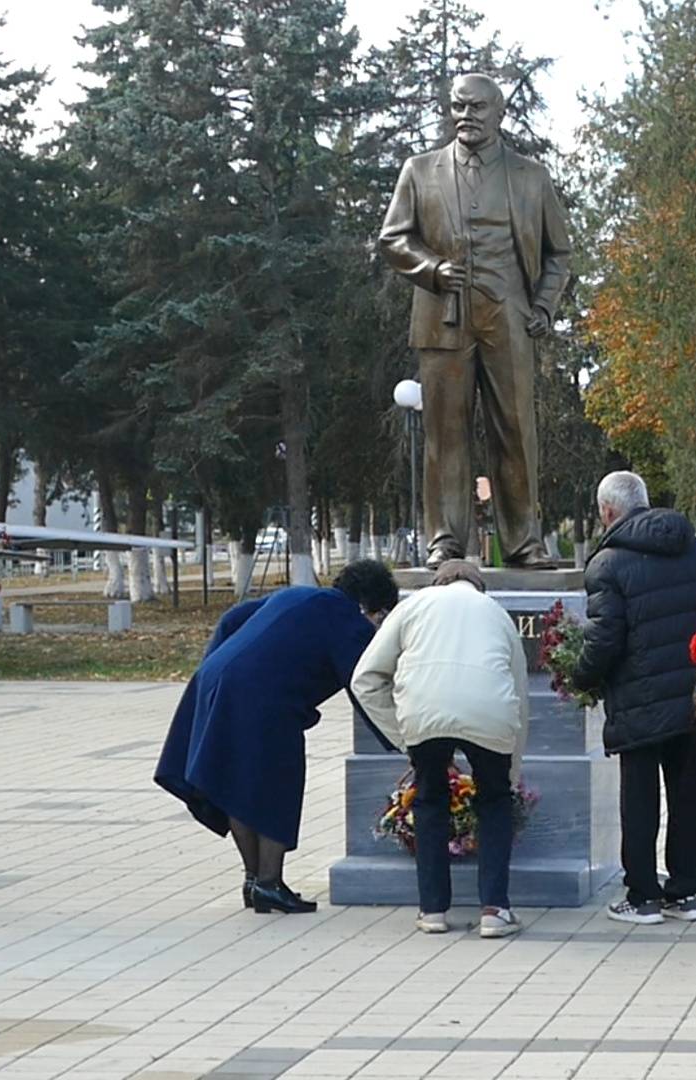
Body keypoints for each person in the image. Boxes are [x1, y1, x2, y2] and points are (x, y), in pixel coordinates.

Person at [378, 72, 572, 568]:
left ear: (499, 113)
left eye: (477, 108)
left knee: (515, 430)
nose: (465, 116)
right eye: (457, 107)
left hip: (509, 316)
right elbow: (393, 239)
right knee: (446, 435)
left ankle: (524, 542)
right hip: (443, 317)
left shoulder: (531, 176)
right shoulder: (420, 171)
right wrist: (433, 269)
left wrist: (544, 306)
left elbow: (559, 253)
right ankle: (446, 540)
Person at [154, 560, 399, 914]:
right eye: (380, 617)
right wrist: (398, 742)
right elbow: (364, 686)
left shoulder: (297, 594)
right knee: (277, 786)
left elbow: (232, 619)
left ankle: (254, 880)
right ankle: (270, 882)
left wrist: (218, 666)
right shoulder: (348, 619)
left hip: (218, 681)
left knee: (236, 784)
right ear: (369, 606)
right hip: (263, 699)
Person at [572, 471, 696, 926]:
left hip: (638, 701)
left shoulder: (607, 564)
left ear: (608, 512)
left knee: (639, 801)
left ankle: (642, 897)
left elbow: (604, 639)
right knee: (689, 797)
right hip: (694, 697)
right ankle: (688, 892)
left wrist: (579, 676)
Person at [353, 560, 532, 938]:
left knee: (431, 801)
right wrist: (511, 771)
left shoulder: (413, 605)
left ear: (437, 582)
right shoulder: (496, 613)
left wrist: (404, 736)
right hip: (490, 713)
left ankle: (433, 910)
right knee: (495, 802)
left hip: (424, 711)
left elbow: (365, 679)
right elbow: (519, 695)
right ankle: (495, 911)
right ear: (478, 587)